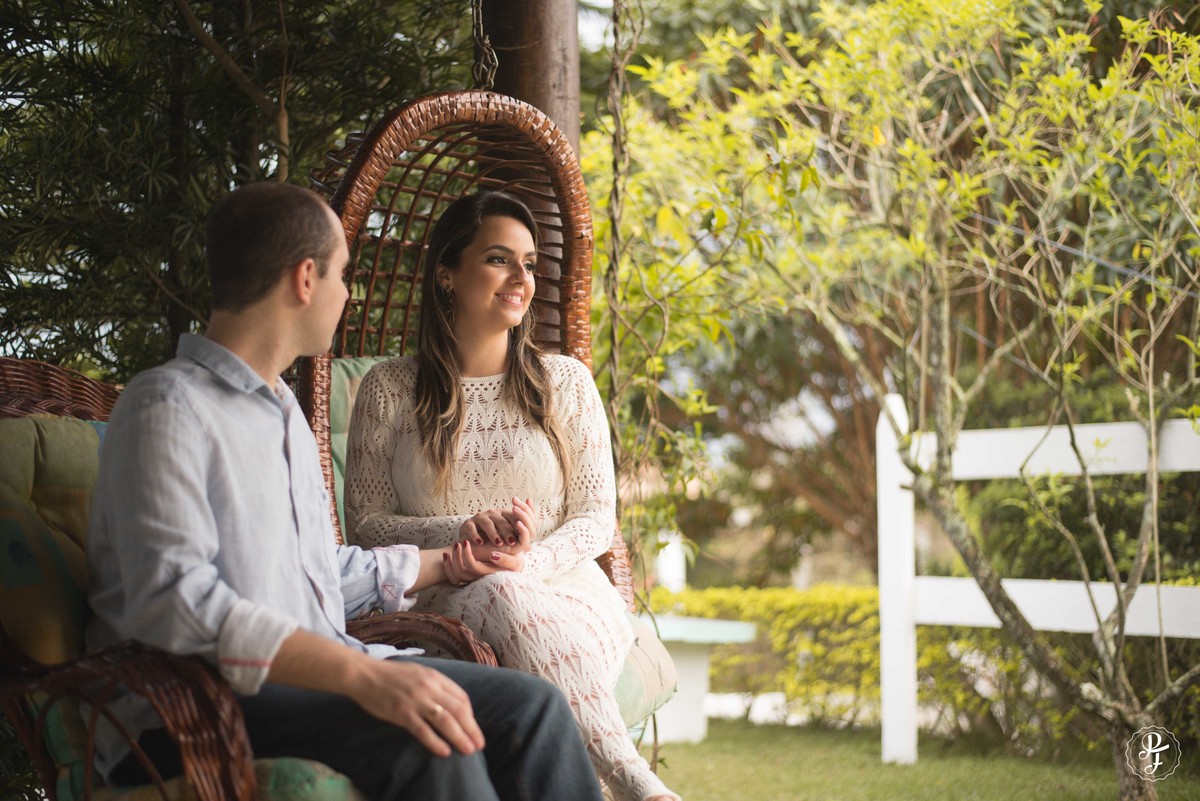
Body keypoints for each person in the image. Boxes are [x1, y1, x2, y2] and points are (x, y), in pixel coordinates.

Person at [85, 181, 604, 801]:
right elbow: (172, 603)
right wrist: (359, 674)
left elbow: (315, 575)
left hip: (317, 680)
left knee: (535, 709)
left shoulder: (279, 411)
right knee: (432, 738)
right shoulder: (168, 407)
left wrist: (448, 563)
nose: (348, 294)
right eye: (343, 274)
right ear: (306, 279)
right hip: (198, 705)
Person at [344, 190, 680, 801]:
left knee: (507, 586)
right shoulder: (388, 389)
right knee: (496, 587)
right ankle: (635, 783)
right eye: (499, 259)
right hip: (443, 601)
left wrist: (529, 561)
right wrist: (464, 531)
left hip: (570, 597)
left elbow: (595, 517)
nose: (521, 278)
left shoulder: (566, 384)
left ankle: (630, 783)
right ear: (447, 273)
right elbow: (365, 525)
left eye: (529, 262)